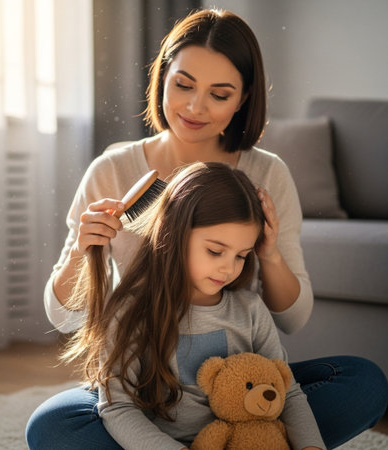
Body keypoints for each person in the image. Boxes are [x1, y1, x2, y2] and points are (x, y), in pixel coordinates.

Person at [26, 8, 388, 450]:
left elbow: (292, 319)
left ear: (243, 99)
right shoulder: (114, 169)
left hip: (241, 391)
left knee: (362, 382)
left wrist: (269, 253)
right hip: (151, 392)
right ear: (162, 77)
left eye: (220, 94)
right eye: (183, 85)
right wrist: (83, 251)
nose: (195, 107)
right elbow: (63, 317)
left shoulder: (266, 173)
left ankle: (242, 435)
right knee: (53, 424)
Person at [64, 162, 326, 449]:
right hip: (162, 442)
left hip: (243, 438)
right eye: (215, 251)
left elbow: (286, 393)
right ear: (173, 233)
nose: (228, 269)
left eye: (241, 256)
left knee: (360, 381)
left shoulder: (250, 310)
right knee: (55, 425)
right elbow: (118, 408)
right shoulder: (130, 312)